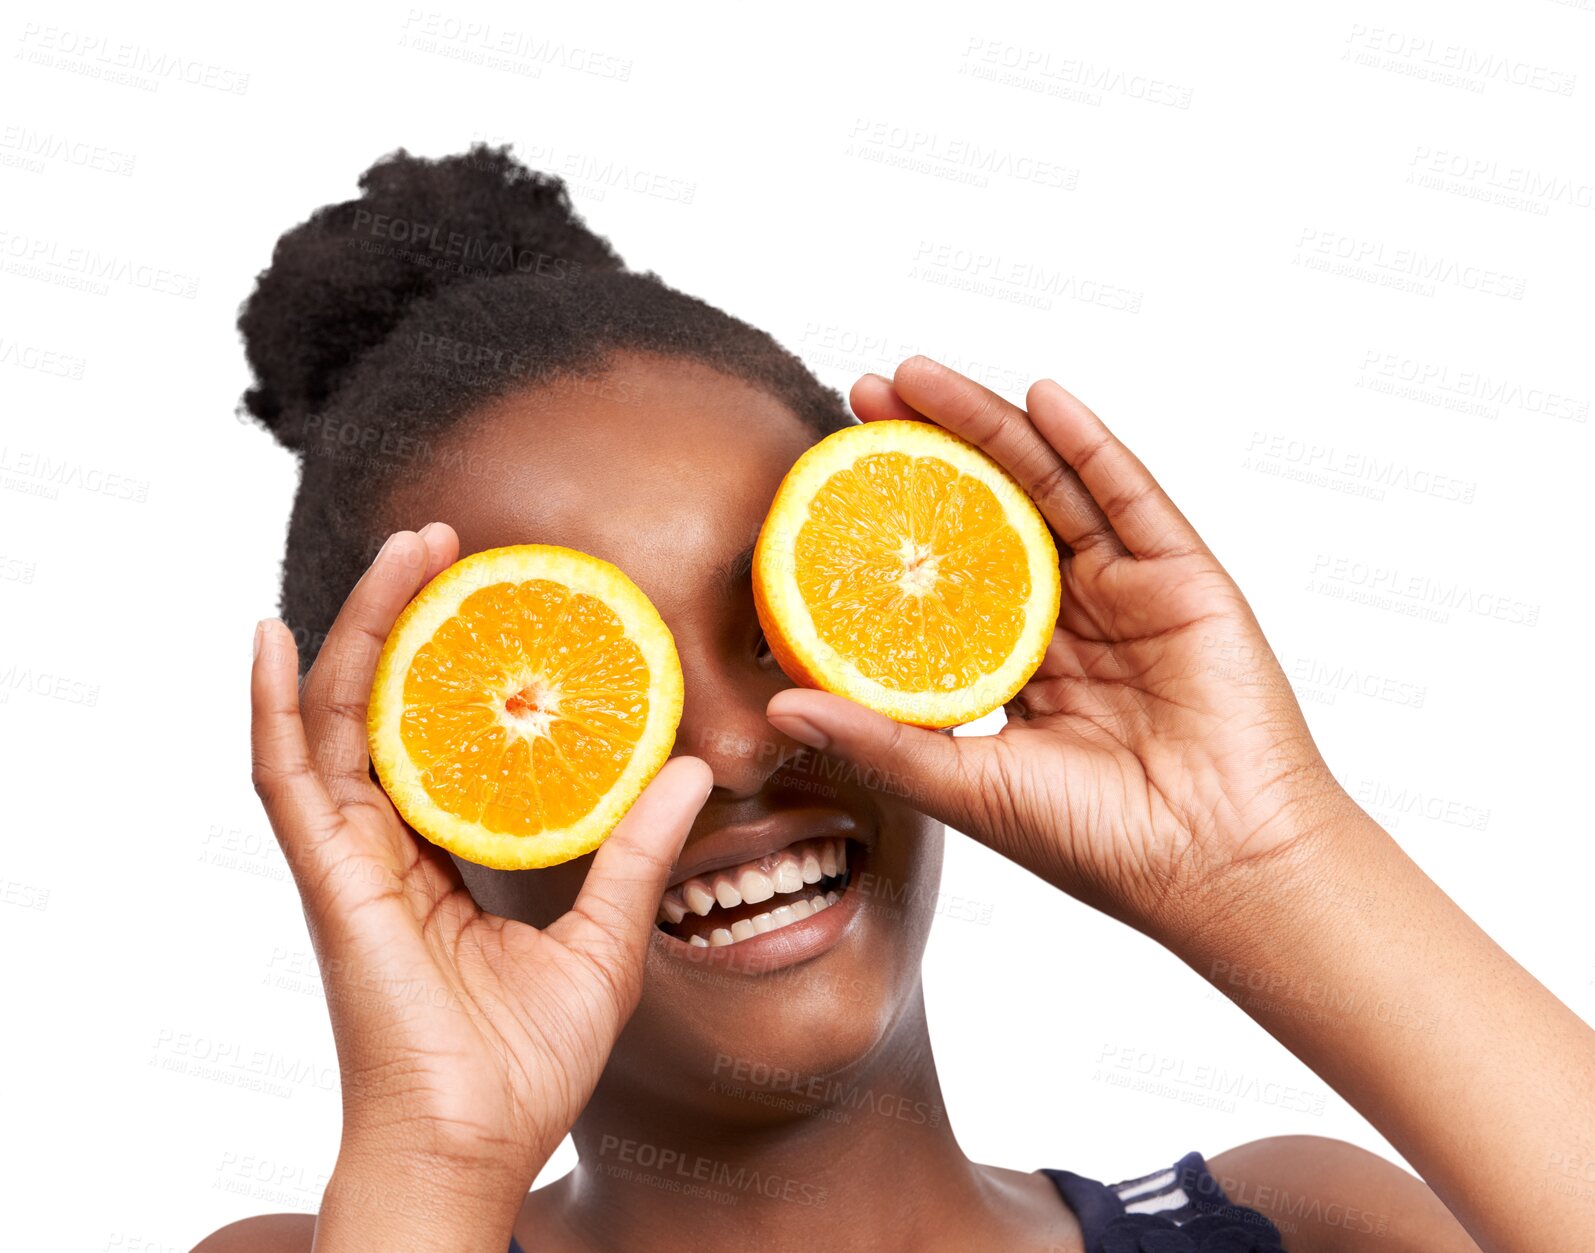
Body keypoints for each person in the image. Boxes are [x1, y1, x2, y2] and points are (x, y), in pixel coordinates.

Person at [198, 146, 1591, 1252]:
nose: (737, 750)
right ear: (399, 796)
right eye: (568, 697)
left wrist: (1262, 852)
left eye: (773, 630)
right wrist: (434, 1151)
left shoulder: (1304, 1229)